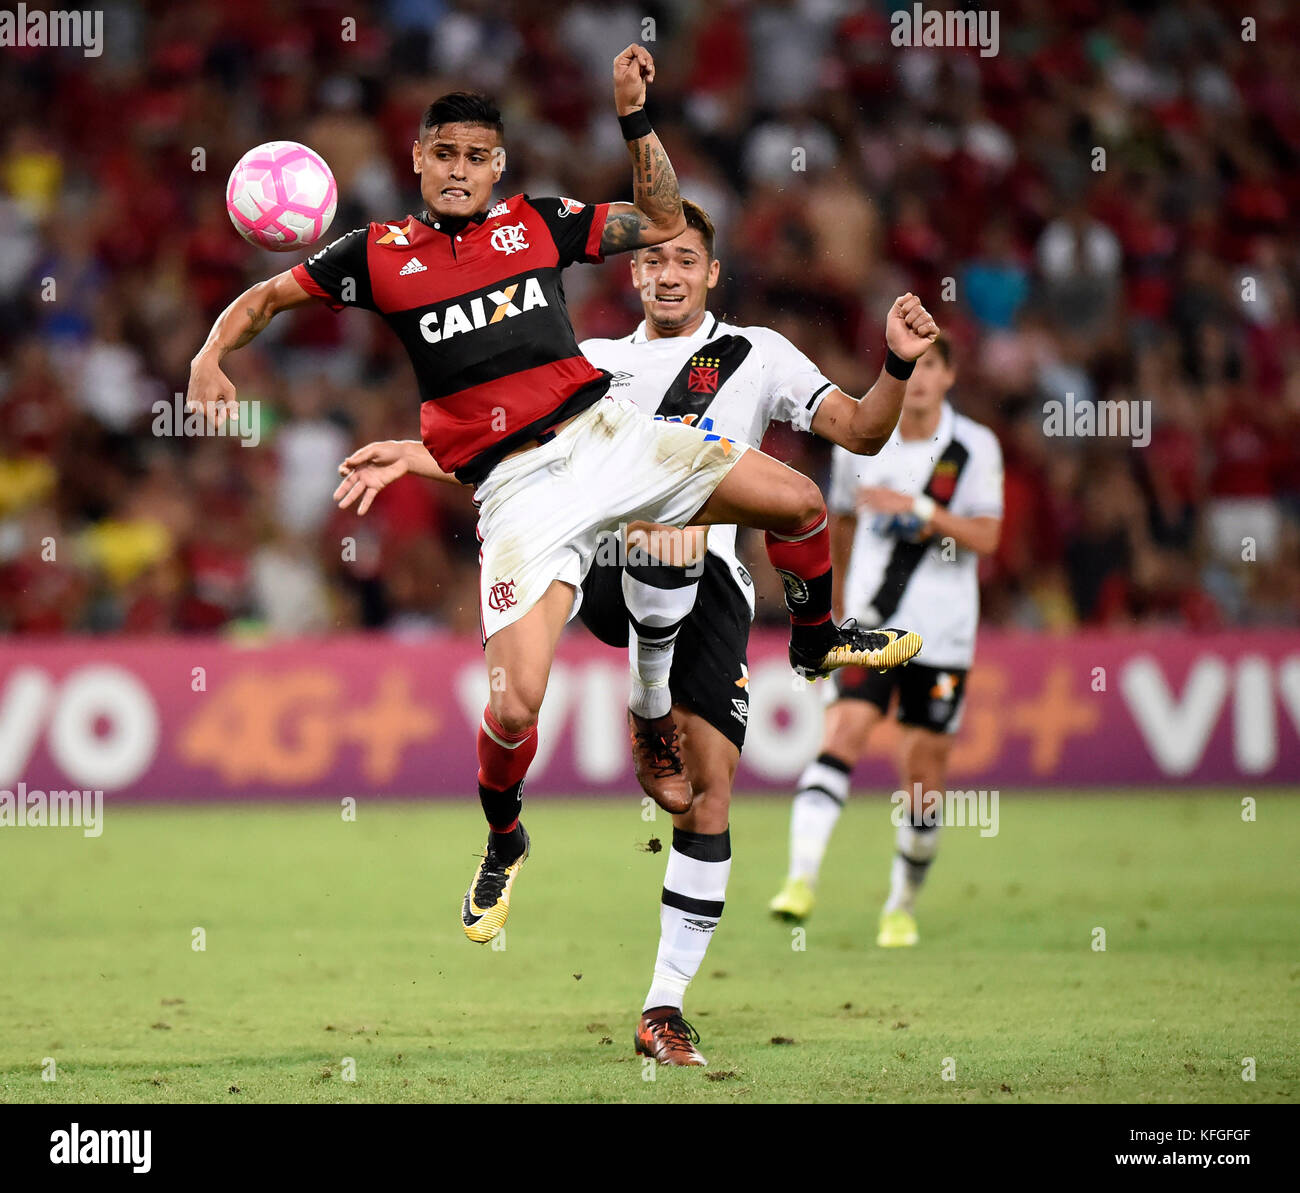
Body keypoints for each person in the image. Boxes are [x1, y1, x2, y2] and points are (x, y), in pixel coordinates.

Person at [191, 46, 914, 956]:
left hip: (608, 439)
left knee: (800, 500)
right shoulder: (376, 256)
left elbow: (657, 216)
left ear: (498, 166)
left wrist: (631, 116)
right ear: (416, 157)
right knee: (513, 708)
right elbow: (264, 299)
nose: (460, 170)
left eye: (477, 156)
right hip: (518, 494)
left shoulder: (536, 223)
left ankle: (813, 641)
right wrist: (209, 355)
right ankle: (504, 837)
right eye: (444, 153)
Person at [338, 202, 941, 1065]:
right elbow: (511, 447)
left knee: (706, 796)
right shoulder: (590, 360)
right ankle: (646, 699)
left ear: (711, 274)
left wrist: (894, 364)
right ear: (631, 272)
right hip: (609, 564)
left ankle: (663, 1008)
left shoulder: (756, 353)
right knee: (647, 557)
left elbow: (860, 432)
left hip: (718, 586)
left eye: (685, 260)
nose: (666, 273)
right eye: (653, 259)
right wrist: (411, 448)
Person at [769, 337, 1003, 950]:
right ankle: (799, 881)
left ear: (950, 376)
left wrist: (921, 508)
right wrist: (838, 606)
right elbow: (839, 523)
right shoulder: (864, 439)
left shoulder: (974, 447)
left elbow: (986, 537)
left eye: (932, 366)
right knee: (843, 732)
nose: (919, 378)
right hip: (873, 628)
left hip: (944, 635)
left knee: (922, 774)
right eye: (912, 365)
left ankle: (900, 905)